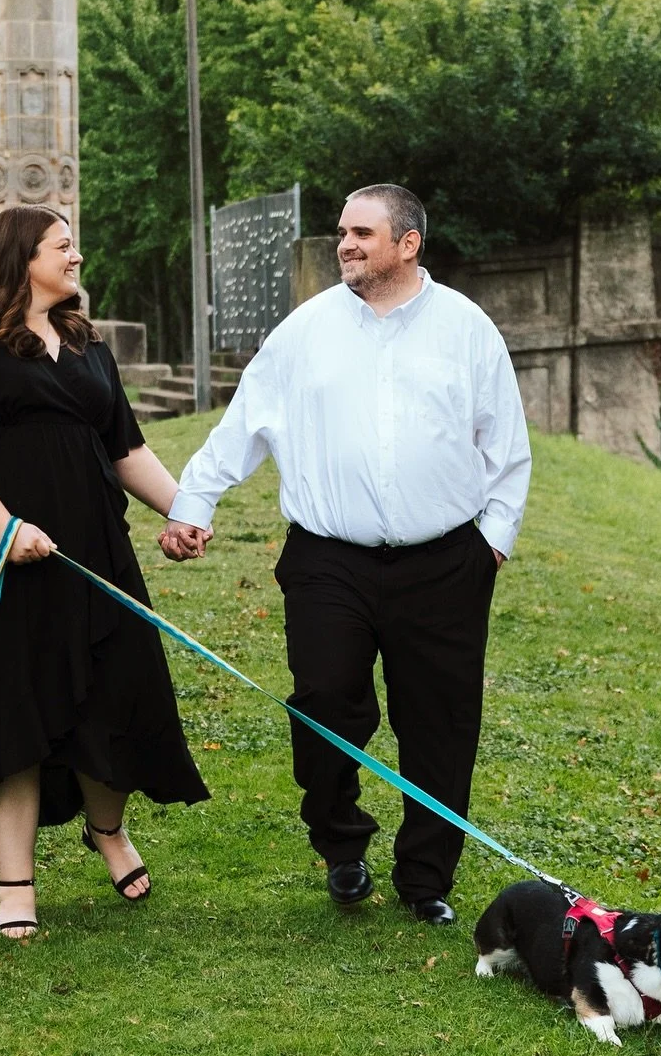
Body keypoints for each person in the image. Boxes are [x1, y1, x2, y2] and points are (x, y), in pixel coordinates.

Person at [160, 183, 531, 926]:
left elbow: (507, 448)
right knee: (326, 701)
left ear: (408, 243)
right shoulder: (305, 331)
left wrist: (492, 544)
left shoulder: (466, 328)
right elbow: (245, 424)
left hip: (445, 564)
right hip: (330, 561)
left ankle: (426, 879)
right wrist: (192, 504)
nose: (347, 244)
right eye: (342, 233)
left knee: (441, 724)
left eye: (363, 232)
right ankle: (341, 845)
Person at [0, 205, 209, 941]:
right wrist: (6, 528)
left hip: (92, 554)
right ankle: (14, 884)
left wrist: (183, 511)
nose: (78, 259)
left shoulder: (87, 344)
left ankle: (107, 831)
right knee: (9, 713)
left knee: (114, 698)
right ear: (20, 256)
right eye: (64, 247)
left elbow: (125, 449)